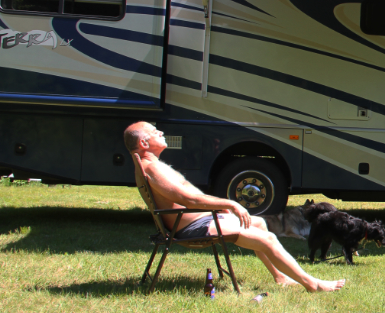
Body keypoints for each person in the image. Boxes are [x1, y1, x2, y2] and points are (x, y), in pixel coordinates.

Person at [124, 121, 345, 293]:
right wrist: (229, 203)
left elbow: (189, 199)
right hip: (192, 228)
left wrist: (219, 208)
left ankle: (280, 276)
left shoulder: (149, 164)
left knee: (257, 222)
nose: (160, 132)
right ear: (144, 143)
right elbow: (188, 200)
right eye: (154, 132)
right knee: (267, 238)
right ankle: (312, 284)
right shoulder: (152, 168)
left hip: (199, 220)